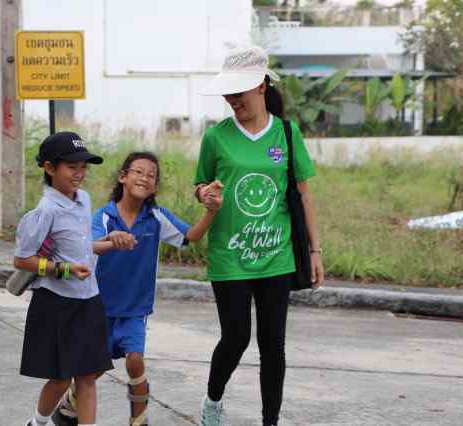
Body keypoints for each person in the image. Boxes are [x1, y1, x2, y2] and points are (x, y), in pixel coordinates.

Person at [194, 45, 325, 426]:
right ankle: (213, 402)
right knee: (235, 338)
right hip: (229, 256)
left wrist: (315, 250)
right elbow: (200, 184)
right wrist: (204, 194)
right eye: (228, 94)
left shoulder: (286, 132)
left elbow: (303, 193)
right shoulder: (216, 138)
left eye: (240, 92)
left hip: (276, 256)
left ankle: (271, 420)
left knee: (274, 345)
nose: (233, 100)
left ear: (262, 86)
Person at [52, 151, 222, 426]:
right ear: (123, 177)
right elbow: (89, 246)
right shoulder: (104, 216)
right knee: (93, 372)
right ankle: (70, 406)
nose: (145, 178)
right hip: (98, 307)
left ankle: (139, 421)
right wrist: (111, 238)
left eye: (151, 175)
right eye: (139, 172)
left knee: (134, 361)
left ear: (154, 186)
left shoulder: (155, 217)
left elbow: (190, 237)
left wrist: (211, 211)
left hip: (135, 309)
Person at [14, 131, 135, 426]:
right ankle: (38, 423)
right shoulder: (45, 211)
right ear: (49, 168)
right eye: (72, 167)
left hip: (88, 300)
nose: (80, 173)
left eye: (84, 166)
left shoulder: (83, 199)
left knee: (88, 377)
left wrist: (111, 240)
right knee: (59, 380)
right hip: (56, 304)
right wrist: (64, 270)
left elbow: (80, 247)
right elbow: (22, 260)